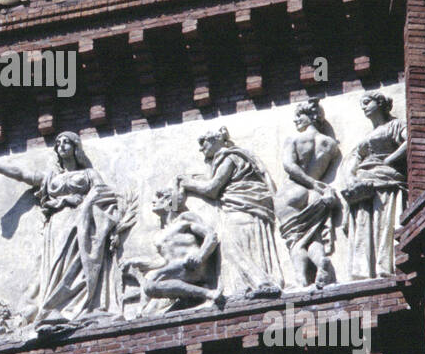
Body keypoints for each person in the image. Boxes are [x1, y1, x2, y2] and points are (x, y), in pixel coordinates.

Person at [0, 131, 127, 323]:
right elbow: (23, 174)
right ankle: (55, 307)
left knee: (81, 260)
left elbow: (103, 192)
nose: (62, 145)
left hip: (82, 222)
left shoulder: (88, 174)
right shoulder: (50, 177)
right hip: (57, 225)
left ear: (75, 148)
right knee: (57, 263)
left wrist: (80, 200)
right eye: (58, 143)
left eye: (67, 142)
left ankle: (86, 304)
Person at [178, 127, 283, 298]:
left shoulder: (229, 157)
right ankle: (243, 287)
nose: (201, 148)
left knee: (230, 245)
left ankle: (261, 282)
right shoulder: (225, 159)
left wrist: (188, 183)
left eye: (203, 143)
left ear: (215, 140)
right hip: (242, 208)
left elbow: (213, 188)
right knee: (235, 245)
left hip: (242, 208)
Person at [121, 187, 223, 315]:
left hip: (194, 265)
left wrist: (200, 256)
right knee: (149, 294)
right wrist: (136, 262)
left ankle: (208, 294)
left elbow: (210, 235)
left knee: (151, 280)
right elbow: (164, 262)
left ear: (170, 201)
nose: (154, 201)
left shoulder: (184, 219)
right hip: (177, 271)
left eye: (159, 197)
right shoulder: (158, 236)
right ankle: (141, 312)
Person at [275, 101, 343, 289]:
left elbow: (289, 165)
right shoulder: (330, 144)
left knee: (295, 240)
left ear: (312, 116)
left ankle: (301, 280)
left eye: (300, 115)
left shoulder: (294, 139)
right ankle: (321, 260)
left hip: (293, 191)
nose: (296, 119)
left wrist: (310, 182)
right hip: (316, 195)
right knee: (314, 237)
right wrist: (316, 184)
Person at [342, 93, 407, 281]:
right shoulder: (368, 135)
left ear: (379, 103)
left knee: (382, 221)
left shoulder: (394, 125)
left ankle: (383, 265)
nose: (364, 107)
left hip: (385, 181)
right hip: (365, 185)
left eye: (366, 103)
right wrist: (351, 178)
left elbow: (409, 141)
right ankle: (364, 269)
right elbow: (354, 159)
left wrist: (389, 159)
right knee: (364, 223)